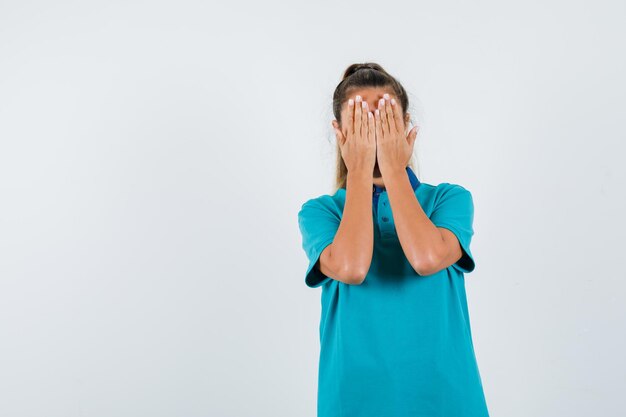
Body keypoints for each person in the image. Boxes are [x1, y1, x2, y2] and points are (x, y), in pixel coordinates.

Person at [297, 63, 490, 417]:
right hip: (354, 401)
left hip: (446, 398)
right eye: (359, 120)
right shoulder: (321, 212)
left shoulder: (447, 199)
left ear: (405, 126)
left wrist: (393, 168)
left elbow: (426, 258)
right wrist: (358, 171)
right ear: (340, 133)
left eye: (384, 117)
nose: (373, 131)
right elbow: (352, 268)